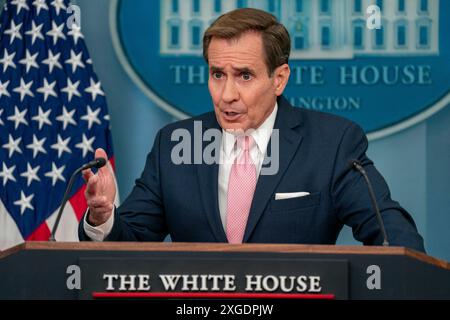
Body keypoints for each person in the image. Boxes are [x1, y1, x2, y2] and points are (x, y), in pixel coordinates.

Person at [78, 8, 425, 252]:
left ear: (279, 79)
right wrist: (102, 215)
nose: (227, 94)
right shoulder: (175, 145)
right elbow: (130, 243)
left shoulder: (330, 143)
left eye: (245, 75)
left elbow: (391, 234)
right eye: (217, 75)